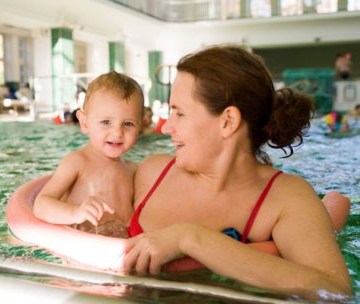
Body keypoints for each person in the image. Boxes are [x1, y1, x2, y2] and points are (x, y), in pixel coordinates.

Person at [122, 46, 352, 299]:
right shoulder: (151, 173)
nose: (167, 128)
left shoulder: (284, 199)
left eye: (179, 113)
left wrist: (190, 238)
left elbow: (335, 291)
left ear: (228, 121)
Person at [33, 71, 144, 237]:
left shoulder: (132, 170)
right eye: (106, 122)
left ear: (140, 126)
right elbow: (41, 205)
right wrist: (75, 212)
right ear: (84, 122)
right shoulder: (77, 162)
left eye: (128, 123)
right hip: (81, 247)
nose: (117, 132)